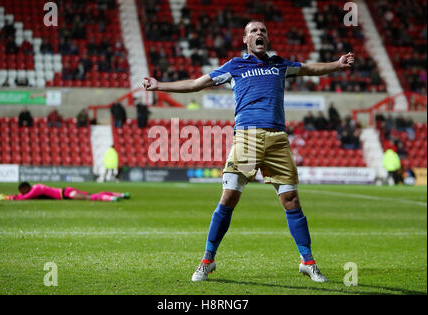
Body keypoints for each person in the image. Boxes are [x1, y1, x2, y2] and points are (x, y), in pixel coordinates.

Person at [143, 20, 354, 283]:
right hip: (247, 137)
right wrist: (159, 85)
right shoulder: (234, 66)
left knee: (292, 201)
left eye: (263, 31)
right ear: (245, 39)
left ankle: (308, 261)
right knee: (229, 197)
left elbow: (310, 68)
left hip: (277, 139)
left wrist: (337, 64)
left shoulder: (279, 64)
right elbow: (197, 83)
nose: (259, 34)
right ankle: (207, 261)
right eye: (253, 31)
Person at [0, 182, 130, 202]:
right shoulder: (36, 187)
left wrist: (10, 198)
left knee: (90, 197)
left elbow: (26, 197)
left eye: (21, 191)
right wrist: (12, 196)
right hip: (65, 192)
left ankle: (112, 198)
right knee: (91, 194)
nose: (22, 193)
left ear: (25, 188)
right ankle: (120, 194)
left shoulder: (36, 189)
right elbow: (24, 195)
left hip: (66, 194)